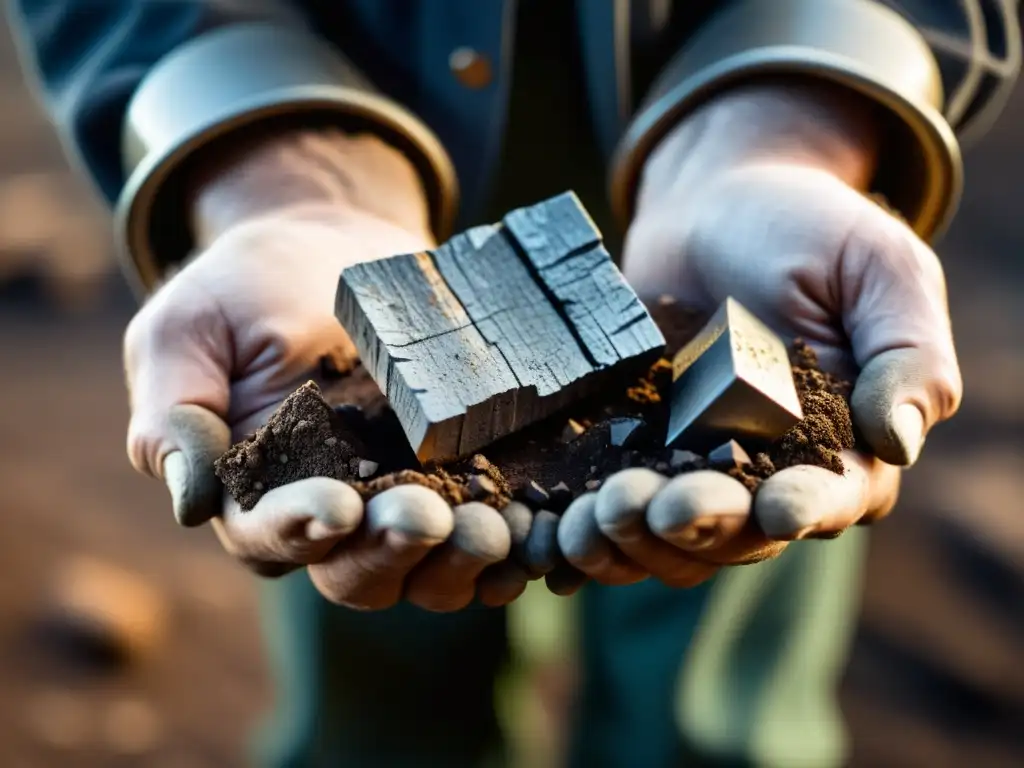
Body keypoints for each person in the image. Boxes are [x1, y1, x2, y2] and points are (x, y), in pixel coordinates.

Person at [8, 1, 1020, 765]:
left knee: (713, 684)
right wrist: (273, 169)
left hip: (730, 211)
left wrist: (798, 121)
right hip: (345, 166)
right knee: (378, 662)